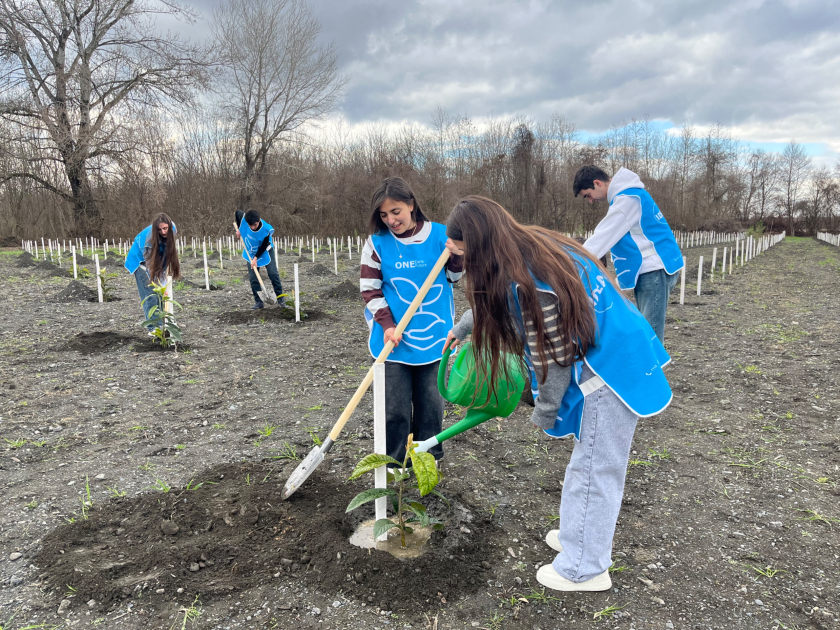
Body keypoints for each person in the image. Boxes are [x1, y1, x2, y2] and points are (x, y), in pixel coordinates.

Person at [443, 196, 672, 592]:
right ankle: (579, 536)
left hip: (611, 368)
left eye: (463, 254)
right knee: (589, 461)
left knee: (597, 467)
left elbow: (554, 355)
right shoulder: (532, 245)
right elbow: (498, 305)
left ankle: (585, 567)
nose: (461, 263)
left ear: (481, 247)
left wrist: (544, 410)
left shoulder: (529, 283)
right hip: (619, 343)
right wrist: (465, 326)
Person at [360, 177, 464, 466]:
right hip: (393, 340)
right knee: (394, 409)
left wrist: (456, 258)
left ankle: (427, 462)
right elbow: (369, 288)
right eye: (383, 215)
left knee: (431, 406)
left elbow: (454, 278)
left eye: (396, 212)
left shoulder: (442, 237)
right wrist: (388, 324)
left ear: (411, 205)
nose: (391, 220)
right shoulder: (377, 243)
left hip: (434, 337)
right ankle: (394, 464)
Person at [574, 165, 684, 343]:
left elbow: (602, 237)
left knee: (651, 337)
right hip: (653, 270)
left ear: (597, 183)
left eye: (588, 195)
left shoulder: (627, 200)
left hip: (654, 270)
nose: (590, 201)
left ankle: (653, 370)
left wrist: (568, 261)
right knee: (647, 330)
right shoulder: (629, 196)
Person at [125, 214, 181, 335]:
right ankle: (153, 328)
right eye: (160, 230)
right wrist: (161, 285)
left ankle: (164, 322)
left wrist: (164, 284)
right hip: (140, 262)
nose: (163, 232)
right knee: (151, 294)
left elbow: (166, 253)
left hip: (157, 258)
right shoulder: (147, 242)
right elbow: (151, 268)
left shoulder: (173, 228)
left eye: (165, 228)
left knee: (161, 295)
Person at [235, 209, 284, 309]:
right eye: (250, 225)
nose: (253, 227)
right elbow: (237, 212)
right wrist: (239, 229)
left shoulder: (266, 229)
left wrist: (256, 258)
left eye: (255, 225)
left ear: (259, 220)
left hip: (265, 251)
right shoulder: (245, 219)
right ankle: (259, 302)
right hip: (251, 252)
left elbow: (264, 245)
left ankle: (280, 299)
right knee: (253, 277)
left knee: (273, 273)